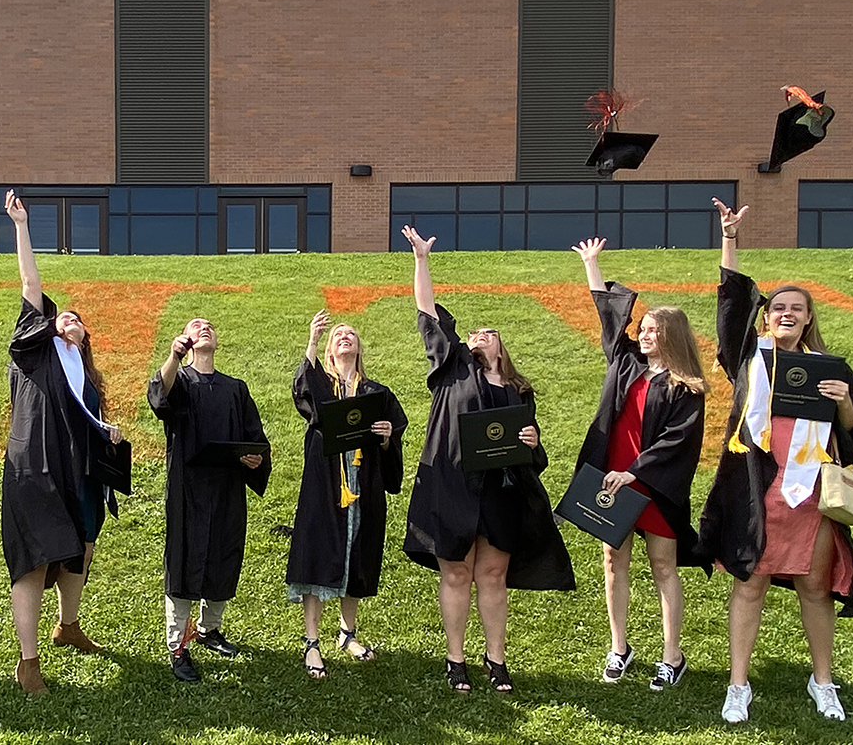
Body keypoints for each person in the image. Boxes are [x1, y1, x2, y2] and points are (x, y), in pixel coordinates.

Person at [699, 199, 853, 724]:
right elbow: (730, 309)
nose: (787, 314)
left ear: (809, 317)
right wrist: (729, 238)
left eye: (797, 308)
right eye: (778, 308)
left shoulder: (830, 368)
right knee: (748, 582)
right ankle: (737, 685)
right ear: (768, 316)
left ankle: (823, 680)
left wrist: (843, 400)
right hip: (756, 486)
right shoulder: (747, 358)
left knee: (814, 584)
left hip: (810, 491)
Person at [399, 226, 575, 694]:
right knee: (457, 572)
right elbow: (426, 313)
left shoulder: (519, 391)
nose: (479, 336)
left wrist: (533, 440)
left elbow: (531, 454)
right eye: (474, 333)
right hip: (454, 487)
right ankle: (455, 661)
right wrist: (421, 260)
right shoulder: (453, 367)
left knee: (493, 575)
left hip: (501, 493)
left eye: (488, 333)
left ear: (501, 347)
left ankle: (496, 661)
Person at [570, 237, 710, 691]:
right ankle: (619, 648)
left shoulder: (685, 386)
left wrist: (638, 471)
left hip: (654, 484)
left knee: (663, 565)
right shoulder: (626, 364)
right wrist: (593, 266)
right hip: (612, 477)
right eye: (643, 328)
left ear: (671, 335)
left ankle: (672, 655)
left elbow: (679, 440)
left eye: (652, 329)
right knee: (613, 560)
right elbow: (610, 320)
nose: (644, 334)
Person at [2, 190, 127, 695]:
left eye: (78, 319)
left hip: (82, 470)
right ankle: (28, 661)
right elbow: (31, 281)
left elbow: (86, 419)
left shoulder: (85, 375)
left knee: (82, 548)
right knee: (34, 558)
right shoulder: (36, 351)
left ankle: (68, 625)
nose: (71, 320)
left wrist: (108, 432)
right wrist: (21, 225)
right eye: (64, 317)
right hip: (36, 468)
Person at [147, 317, 271, 683]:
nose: (204, 328)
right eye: (195, 325)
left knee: (222, 557)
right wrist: (173, 356)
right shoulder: (179, 379)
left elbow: (255, 438)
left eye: (209, 326)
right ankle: (178, 646)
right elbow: (159, 397)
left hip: (227, 487)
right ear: (184, 338)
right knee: (184, 562)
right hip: (187, 487)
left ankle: (209, 629)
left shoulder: (236, 389)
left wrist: (255, 458)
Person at [285, 310, 406, 681]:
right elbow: (301, 392)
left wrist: (386, 437)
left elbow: (394, 437)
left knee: (357, 551)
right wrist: (312, 340)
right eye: (338, 335)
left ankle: (347, 634)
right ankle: (311, 642)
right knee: (320, 552)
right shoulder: (322, 385)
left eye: (350, 334)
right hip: (324, 484)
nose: (344, 337)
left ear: (359, 348)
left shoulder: (376, 393)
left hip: (364, 483)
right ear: (329, 349)